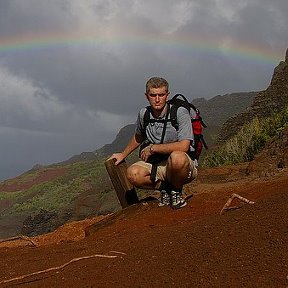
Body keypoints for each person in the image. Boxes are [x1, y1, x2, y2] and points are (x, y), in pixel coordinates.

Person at [108, 76, 197, 209]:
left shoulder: (179, 113)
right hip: (158, 166)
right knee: (133, 174)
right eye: (153, 95)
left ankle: (176, 191)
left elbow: (184, 146)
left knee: (177, 157)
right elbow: (139, 136)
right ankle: (165, 189)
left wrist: (153, 148)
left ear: (167, 95)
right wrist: (123, 154)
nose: (157, 99)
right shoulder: (144, 114)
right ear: (146, 96)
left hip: (181, 167)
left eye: (161, 95)